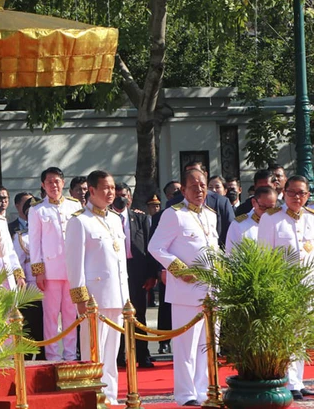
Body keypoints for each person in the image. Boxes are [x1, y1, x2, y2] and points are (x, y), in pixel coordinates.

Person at [148, 169, 218, 406]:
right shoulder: (174, 214)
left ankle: (202, 390)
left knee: (206, 346)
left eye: (202, 185)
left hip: (210, 289)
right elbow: (156, 247)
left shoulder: (210, 215)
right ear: (184, 190)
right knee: (185, 346)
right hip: (186, 291)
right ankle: (186, 394)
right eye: (194, 186)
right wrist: (180, 270)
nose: (199, 189)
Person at [66, 170, 129, 405]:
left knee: (112, 353)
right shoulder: (79, 221)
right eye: (105, 188)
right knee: (95, 352)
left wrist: (126, 296)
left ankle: (110, 396)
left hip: (117, 294)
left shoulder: (114, 219)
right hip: (94, 298)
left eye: (112, 187)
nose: (111, 192)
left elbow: (120, 261)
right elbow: (74, 263)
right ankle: (93, 397)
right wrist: (80, 299)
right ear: (91, 191)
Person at [257, 175, 314, 400]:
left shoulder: (311, 219)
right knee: (286, 336)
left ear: (308, 195)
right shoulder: (272, 219)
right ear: (284, 193)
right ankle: (288, 381)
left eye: (301, 193)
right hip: (283, 287)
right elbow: (263, 255)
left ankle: (298, 380)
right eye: (292, 193)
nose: (296, 197)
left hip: (307, 286)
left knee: (301, 336)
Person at [28, 167, 83, 361]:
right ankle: (52, 356)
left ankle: (69, 355)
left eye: (57, 181)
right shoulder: (37, 210)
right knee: (50, 316)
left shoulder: (74, 206)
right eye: (49, 182)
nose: (54, 185)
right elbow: (34, 243)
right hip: (50, 271)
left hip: (72, 270)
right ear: (43, 185)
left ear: (63, 182)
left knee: (70, 314)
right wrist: (38, 271)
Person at [111, 183, 156, 368]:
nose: (121, 198)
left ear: (129, 198)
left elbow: (150, 248)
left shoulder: (140, 218)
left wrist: (151, 274)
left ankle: (143, 355)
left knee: (140, 315)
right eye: (118, 195)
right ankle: (121, 356)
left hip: (137, 272)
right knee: (118, 315)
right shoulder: (107, 218)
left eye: (124, 195)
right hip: (116, 273)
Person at [12, 203, 44, 360]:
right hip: (33, 289)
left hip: (53, 286)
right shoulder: (22, 237)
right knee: (32, 327)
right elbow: (16, 263)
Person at [224, 186, 277, 254]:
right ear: (254, 202)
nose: (266, 211)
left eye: (270, 208)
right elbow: (231, 254)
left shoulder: (279, 223)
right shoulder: (239, 225)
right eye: (262, 207)